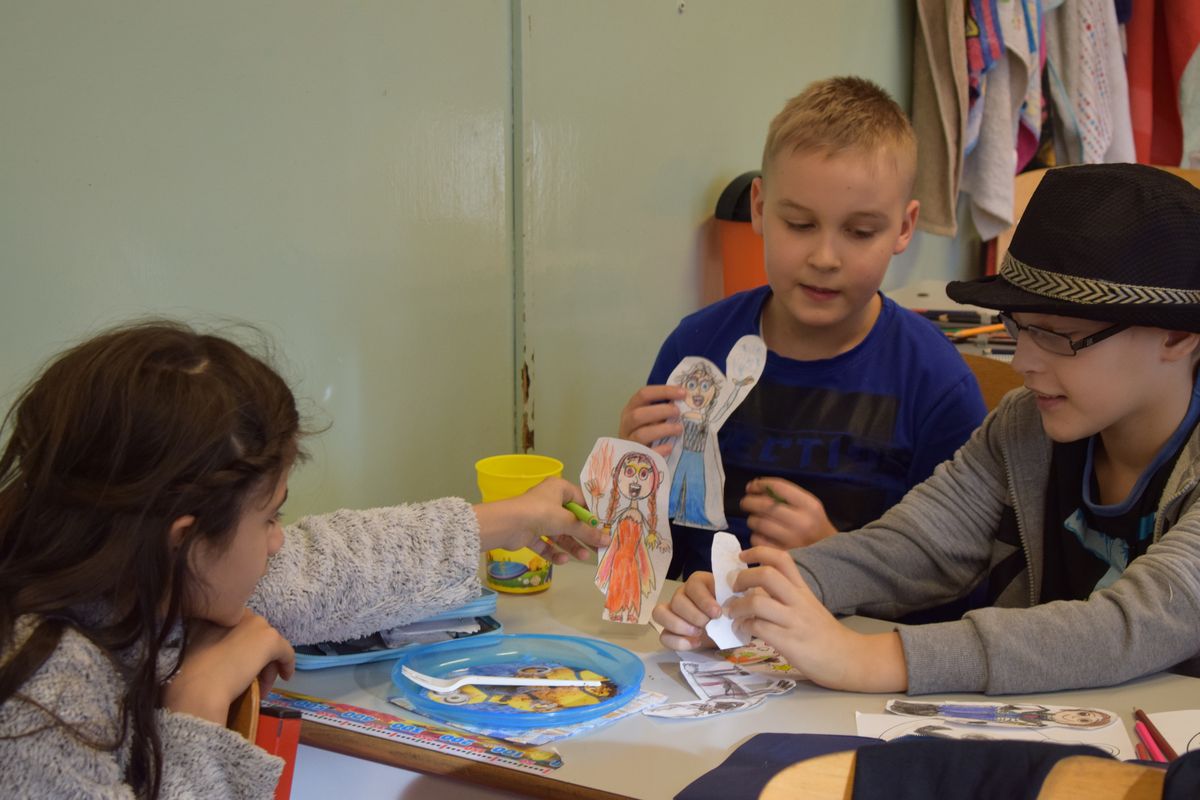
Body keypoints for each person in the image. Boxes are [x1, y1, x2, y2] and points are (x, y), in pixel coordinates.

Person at [653, 163, 1200, 695]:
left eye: (1059, 335)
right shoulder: (1024, 424)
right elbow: (917, 545)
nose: (1022, 362)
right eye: (1019, 328)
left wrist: (865, 658)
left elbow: (1132, 623)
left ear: (1177, 336)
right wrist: (756, 592)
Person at [0, 321, 608, 798]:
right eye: (271, 518)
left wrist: (506, 519)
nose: (279, 543)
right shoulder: (36, 714)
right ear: (183, 541)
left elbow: (324, 570)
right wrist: (201, 706)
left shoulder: (129, 575)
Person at [619, 76, 986, 578]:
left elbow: (957, 582)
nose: (825, 258)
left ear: (904, 228)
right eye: (800, 224)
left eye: (860, 232)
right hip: (699, 622)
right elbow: (643, 557)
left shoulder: (937, 385)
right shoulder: (696, 349)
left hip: (851, 627)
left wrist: (833, 556)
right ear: (760, 208)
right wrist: (632, 473)